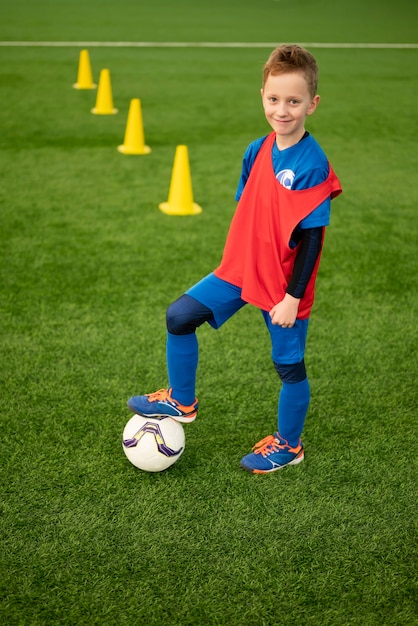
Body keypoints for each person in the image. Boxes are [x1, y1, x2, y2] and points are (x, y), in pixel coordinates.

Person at [127, 44, 342, 474]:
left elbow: (313, 240)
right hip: (241, 270)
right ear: (262, 95)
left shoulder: (312, 164)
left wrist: (292, 298)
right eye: (274, 99)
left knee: (289, 367)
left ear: (312, 104)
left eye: (294, 101)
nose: (282, 110)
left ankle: (289, 444)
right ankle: (181, 400)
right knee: (179, 316)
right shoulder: (257, 149)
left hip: (282, 287)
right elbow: (251, 208)